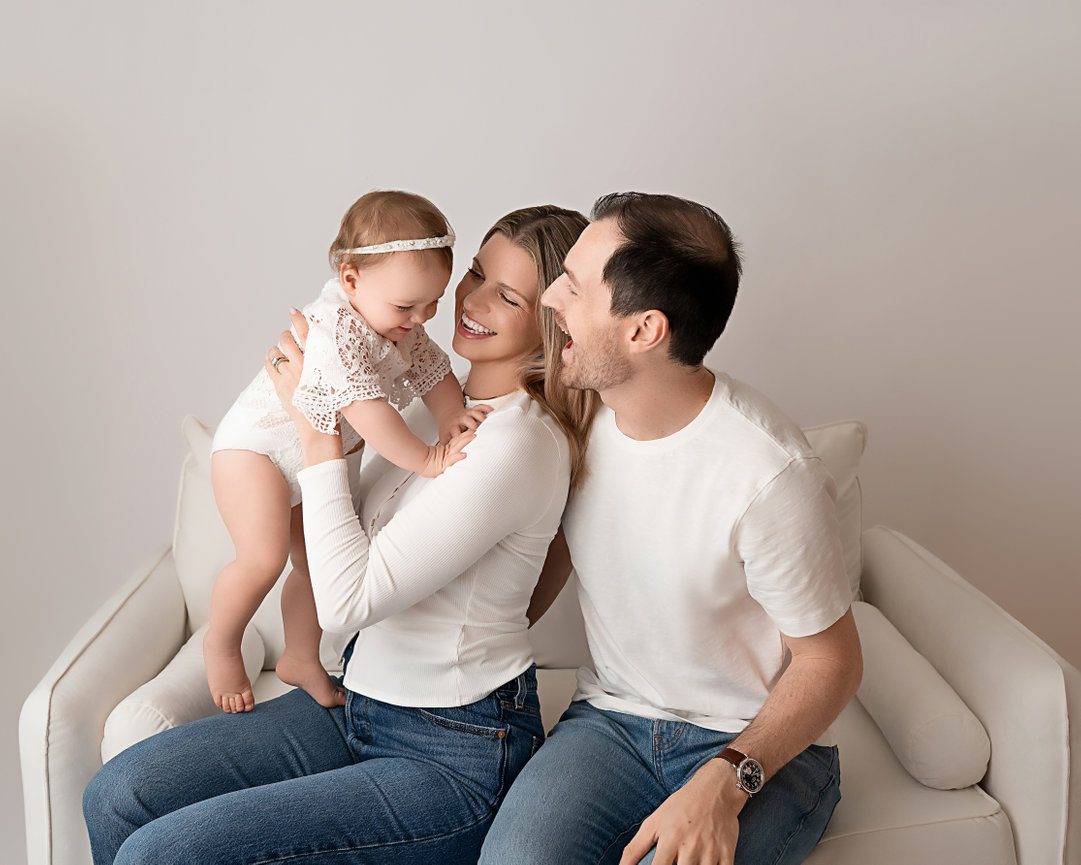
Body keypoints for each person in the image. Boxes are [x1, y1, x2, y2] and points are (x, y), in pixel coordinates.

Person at [83, 204, 597, 865]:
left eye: (507, 295)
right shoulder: (428, 407)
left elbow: (348, 601)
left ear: (552, 321)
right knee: (117, 794)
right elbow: (336, 530)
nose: (470, 300)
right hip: (357, 700)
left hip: (451, 751)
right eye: (473, 273)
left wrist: (315, 418)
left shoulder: (516, 442)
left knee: (165, 853)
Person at [479, 192, 863, 865]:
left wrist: (725, 779)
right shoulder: (571, 420)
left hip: (755, 749)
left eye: (573, 287)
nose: (550, 300)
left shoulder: (769, 475)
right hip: (608, 726)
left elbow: (831, 661)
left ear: (643, 329)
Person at [208, 190, 487, 713]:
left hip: (313, 457)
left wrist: (453, 415)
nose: (420, 317)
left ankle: (300, 657)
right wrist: (428, 458)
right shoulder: (335, 330)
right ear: (351, 280)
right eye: (407, 305)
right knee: (263, 558)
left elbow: (432, 370)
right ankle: (222, 645)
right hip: (256, 450)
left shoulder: (399, 324)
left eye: (433, 302)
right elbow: (368, 413)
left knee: (315, 564)